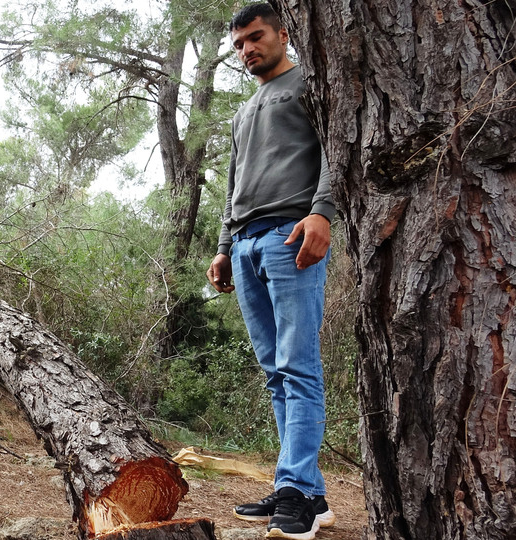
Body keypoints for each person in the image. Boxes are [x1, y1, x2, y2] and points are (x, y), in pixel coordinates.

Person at [206, 4, 337, 539]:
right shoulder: (243, 112)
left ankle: (296, 490)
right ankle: (307, 490)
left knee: (298, 365)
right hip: (245, 243)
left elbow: (337, 150)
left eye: (255, 38)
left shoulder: (312, 83)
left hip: (292, 236)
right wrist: (222, 247)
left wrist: (322, 214)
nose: (246, 50)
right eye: (238, 45)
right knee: (275, 371)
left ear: (283, 34)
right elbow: (234, 181)